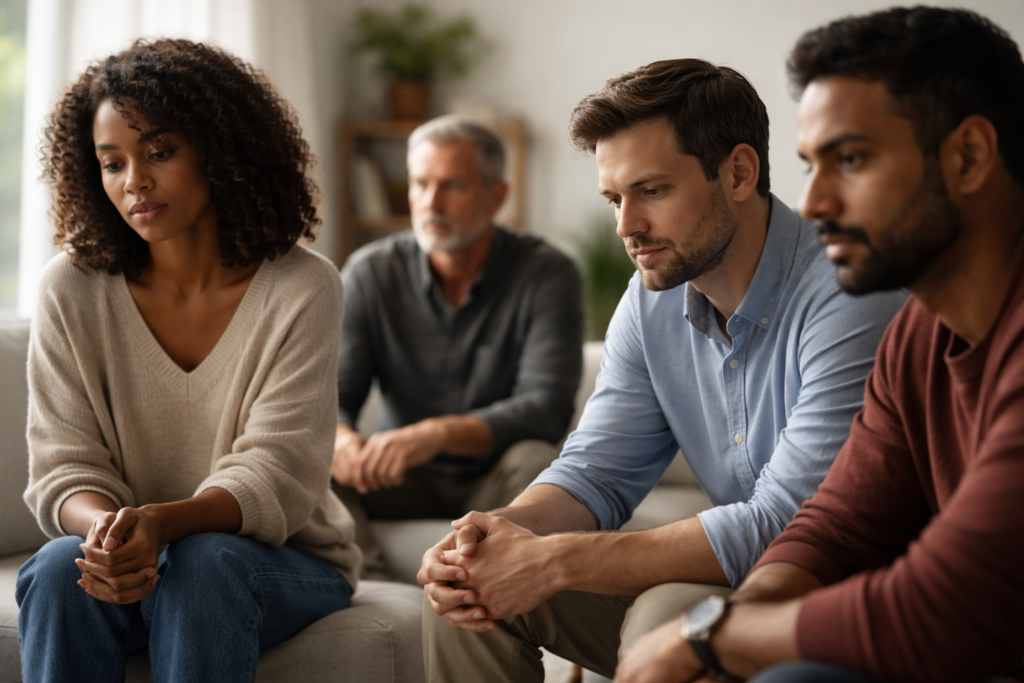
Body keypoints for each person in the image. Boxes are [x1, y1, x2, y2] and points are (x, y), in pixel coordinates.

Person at [418, 59, 907, 682]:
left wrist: (553, 561)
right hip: (745, 586)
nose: (627, 227)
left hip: (847, 602)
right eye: (615, 199)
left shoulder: (849, 292)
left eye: (652, 191)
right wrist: (494, 536)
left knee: (670, 609)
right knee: (467, 593)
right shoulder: (651, 299)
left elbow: (786, 524)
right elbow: (596, 472)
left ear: (738, 172)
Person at [614, 7, 1024, 683]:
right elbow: (838, 527)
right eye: (812, 164)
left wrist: (711, 637)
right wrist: (738, 625)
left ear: (969, 156)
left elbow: (946, 601)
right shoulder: (919, 332)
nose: (817, 200)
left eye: (852, 159)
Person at [15, 39, 360, 683]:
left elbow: (277, 470)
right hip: (129, 558)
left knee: (201, 565)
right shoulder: (70, 288)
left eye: (160, 152)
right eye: (111, 163)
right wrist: (109, 538)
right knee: (63, 568)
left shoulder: (302, 286)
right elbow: (64, 464)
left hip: (280, 560)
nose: (134, 181)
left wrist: (162, 523)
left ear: (221, 151)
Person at [331, 115, 583, 578]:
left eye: (453, 186)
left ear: (497, 196)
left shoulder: (547, 272)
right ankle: (378, 586)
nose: (431, 203)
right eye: (420, 184)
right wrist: (342, 439)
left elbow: (546, 407)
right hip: (399, 478)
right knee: (311, 459)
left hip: (497, 477)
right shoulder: (369, 272)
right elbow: (334, 397)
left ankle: (479, 576)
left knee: (537, 460)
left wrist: (436, 434)